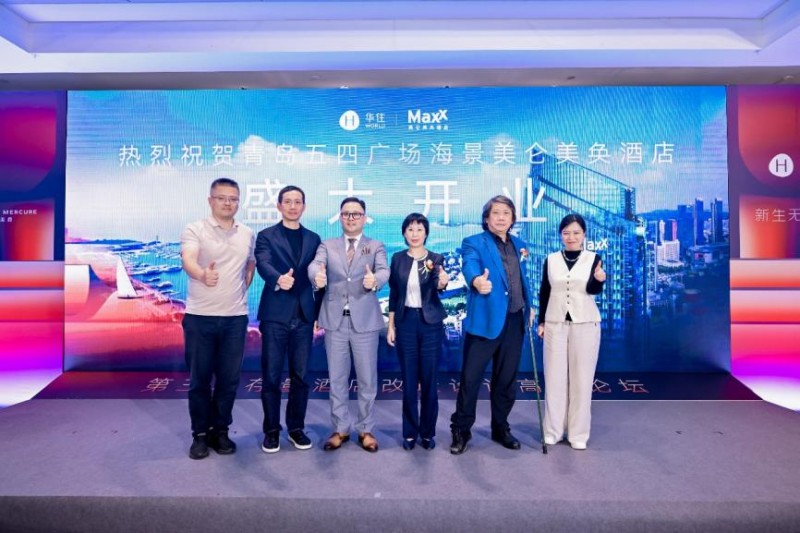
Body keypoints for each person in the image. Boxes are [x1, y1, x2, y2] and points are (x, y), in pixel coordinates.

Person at [449, 195, 535, 455]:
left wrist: (529, 306)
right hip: (485, 321)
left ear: (512, 218)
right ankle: (461, 430)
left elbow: (522, 279)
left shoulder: (520, 244)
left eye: (506, 213)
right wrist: (477, 281)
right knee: (471, 379)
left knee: (506, 380)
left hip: (515, 320)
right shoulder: (473, 242)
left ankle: (500, 427)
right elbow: (469, 265)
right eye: (495, 213)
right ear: (486, 218)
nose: (501, 217)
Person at [180, 177, 255, 460]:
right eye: (222, 198)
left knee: (228, 380)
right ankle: (199, 435)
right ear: (210, 200)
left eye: (233, 199)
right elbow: (188, 259)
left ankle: (220, 431)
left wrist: (242, 284)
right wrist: (202, 274)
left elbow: (250, 264)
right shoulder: (195, 229)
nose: (228, 203)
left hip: (235, 318)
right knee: (199, 381)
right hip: (200, 317)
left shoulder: (247, 233)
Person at [308, 197, 389, 453]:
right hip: (335, 322)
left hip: (365, 321)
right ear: (340, 217)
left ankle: (366, 429)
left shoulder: (375, 245)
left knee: (367, 379)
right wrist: (317, 275)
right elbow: (315, 265)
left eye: (356, 214)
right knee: (337, 378)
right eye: (346, 214)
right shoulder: (327, 245)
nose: (351, 218)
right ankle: (340, 428)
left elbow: (384, 270)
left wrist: (375, 281)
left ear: (364, 217)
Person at [255, 185, 321, 453]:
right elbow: (263, 263)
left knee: (301, 377)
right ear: (279, 205)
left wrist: (318, 313)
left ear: (304, 206)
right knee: (271, 377)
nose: (293, 206)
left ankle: (296, 429)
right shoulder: (266, 236)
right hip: (275, 316)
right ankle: (271, 431)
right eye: (288, 201)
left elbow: (318, 274)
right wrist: (277, 279)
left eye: (298, 202)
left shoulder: (314, 238)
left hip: (304, 316)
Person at [537, 213, 605, 450]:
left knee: (582, 380)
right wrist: (542, 322)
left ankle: (578, 434)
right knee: (553, 378)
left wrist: (599, 280)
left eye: (576, 233)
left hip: (585, 323)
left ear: (584, 234)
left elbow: (593, 289)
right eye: (566, 233)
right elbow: (545, 292)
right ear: (561, 235)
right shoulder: (551, 260)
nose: (571, 237)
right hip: (554, 323)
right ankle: (553, 431)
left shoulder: (593, 258)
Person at [387, 213, 450, 451]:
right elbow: (394, 294)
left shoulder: (435, 258)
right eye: (410, 229)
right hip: (405, 323)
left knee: (429, 380)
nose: (415, 234)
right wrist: (391, 325)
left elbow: (438, 284)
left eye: (419, 229)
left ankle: (427, 433)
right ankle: (410, 432)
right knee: (409, 380)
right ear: (404, 233)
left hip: (430, 323)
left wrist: (442, 282)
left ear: (426, 233)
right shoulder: (397, 259)